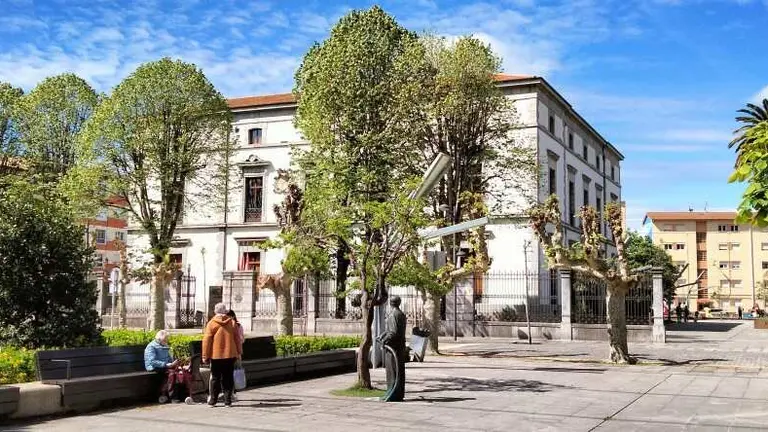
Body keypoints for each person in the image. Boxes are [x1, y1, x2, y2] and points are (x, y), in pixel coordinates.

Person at [203, 303, 241, 407]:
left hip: (216, 355)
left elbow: (207, 341)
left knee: (215, 378)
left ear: (215, 311)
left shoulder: (211, 323)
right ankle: (227, 401)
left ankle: (213, 401)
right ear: (225, 311)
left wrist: (205, 356)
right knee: (228, 377)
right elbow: (237, 339)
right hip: (230, 354)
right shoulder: (232, 322)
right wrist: (239, 352)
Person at [144, 330, 194, 405]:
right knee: (172, 374)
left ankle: (182, 396)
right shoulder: (151, 346)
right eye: (165, 340)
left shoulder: (164, 345)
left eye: (166, 339)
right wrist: (166, 364)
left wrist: (174, 363)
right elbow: (152, 361)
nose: (166, 341)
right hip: (154, 367)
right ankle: (172, 397)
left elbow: (169, 359)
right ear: (159, 339)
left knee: (180, 373)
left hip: (166, 366)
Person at [379, 295, 407, 402]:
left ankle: (392, 394)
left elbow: (393, 332)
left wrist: (384, 340)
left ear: (391, 303)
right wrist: (383, 335)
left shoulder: (393, 315)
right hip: (399, 347)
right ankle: (398, 394)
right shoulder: (401, 314)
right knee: (399, 371)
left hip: (393, 348)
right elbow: (392, 330)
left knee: (392, 371)